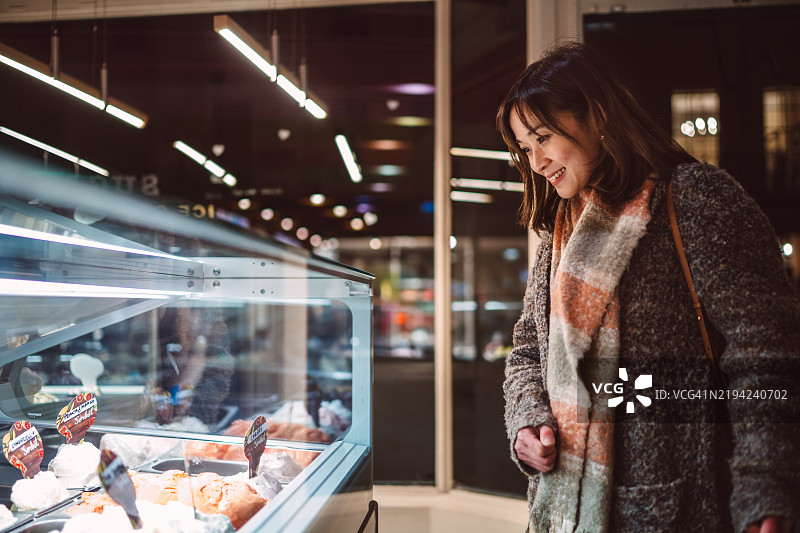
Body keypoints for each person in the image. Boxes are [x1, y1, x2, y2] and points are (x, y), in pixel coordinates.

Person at [498, 41, 800, 533]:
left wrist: (767, 489)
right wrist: (528, 423)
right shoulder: (561, 234)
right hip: (565, 511)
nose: (535, 162)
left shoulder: (696, 200)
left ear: (596, 117)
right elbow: (529, 350)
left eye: (543, 138)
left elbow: (766, 355)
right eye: (524, 149)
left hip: (686, 508)